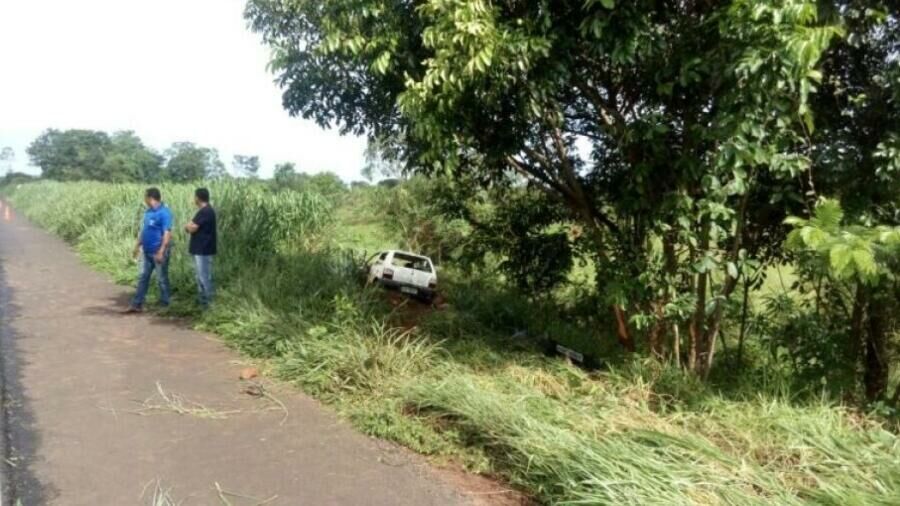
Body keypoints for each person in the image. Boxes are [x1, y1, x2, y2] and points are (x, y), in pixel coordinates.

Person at [126, 187, 173, 312]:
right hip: (146, 251)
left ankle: (166, 303)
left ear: (150, 198)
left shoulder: (164, 213)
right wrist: (137, 246)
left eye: (145, 197)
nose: (144, 199)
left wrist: (161, 251)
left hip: (158, 251)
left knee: (161, 278)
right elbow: (144, 230)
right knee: (143, 276)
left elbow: (167, 233)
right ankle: (137, 303)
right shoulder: (148, 212)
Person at [184, 187, 217, 307]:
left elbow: (192, 227)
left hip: (203, 250)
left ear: (198, 197)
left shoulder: (205, 211)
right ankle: (203, 304)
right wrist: (189, 226)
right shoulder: (206, 211)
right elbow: (192, 226)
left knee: (203, 278)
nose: (194, 199)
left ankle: (208, 305)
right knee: (200, 277)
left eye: (195, 197)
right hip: (201, 249)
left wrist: (187, 227)